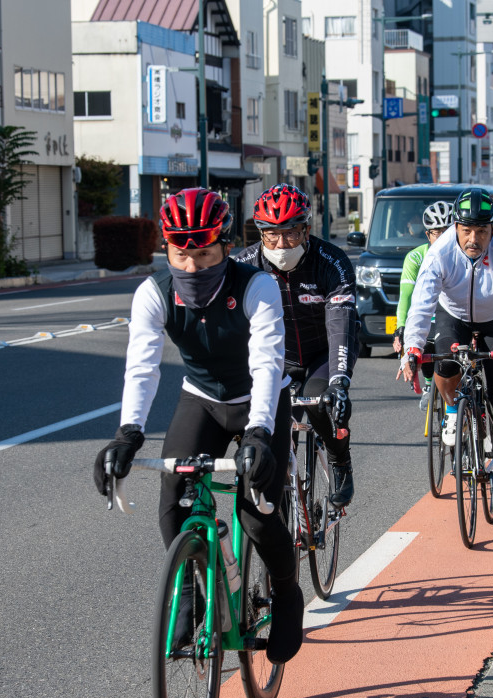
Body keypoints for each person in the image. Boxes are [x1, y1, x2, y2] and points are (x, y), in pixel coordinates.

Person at [92, 187, 304, 665]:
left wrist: (257, 435)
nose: (192, 267)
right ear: (166, 249)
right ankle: (190, 587)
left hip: (258, 400)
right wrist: (128, 433)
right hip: (202, 399)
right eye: (181, 255)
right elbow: (142, 368)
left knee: (257, 513)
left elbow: (268, 364)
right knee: (173, 502)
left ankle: (288, 593)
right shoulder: (154, 293)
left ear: (226, 247)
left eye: (205, 253)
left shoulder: (256, 286)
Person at [398, 188, 493, 510]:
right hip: (452, 314)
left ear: (492, 229)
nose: (474, 238)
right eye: (467, 230)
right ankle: (453, 410)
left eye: (482, 231)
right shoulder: (440, 252)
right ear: (455, 226)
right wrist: (412, 348)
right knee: (443, 362)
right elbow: (421, 302)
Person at [232, 184, 359, 508]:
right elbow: (231, 330)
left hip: (323, 352)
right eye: (271, 235)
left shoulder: (332, 262)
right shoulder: (244, 266)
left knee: (321, 405)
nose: (281, 243)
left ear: (306, 229)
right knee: (268, 420)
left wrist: (339, 382)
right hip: (276, 358)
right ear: (259, 233)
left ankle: (340, 460)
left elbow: (341, 322)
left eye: (290, 233)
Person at [393, 201, 456, 406]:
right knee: (426, 345)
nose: (444, 237)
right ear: (428, 234)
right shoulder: (416, 257)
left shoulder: (461, 254)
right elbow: (406, 295)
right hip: (428, 312)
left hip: (454, 313)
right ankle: (429, 383)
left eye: (448, 231)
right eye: (438, 232)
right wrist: (400, 327)